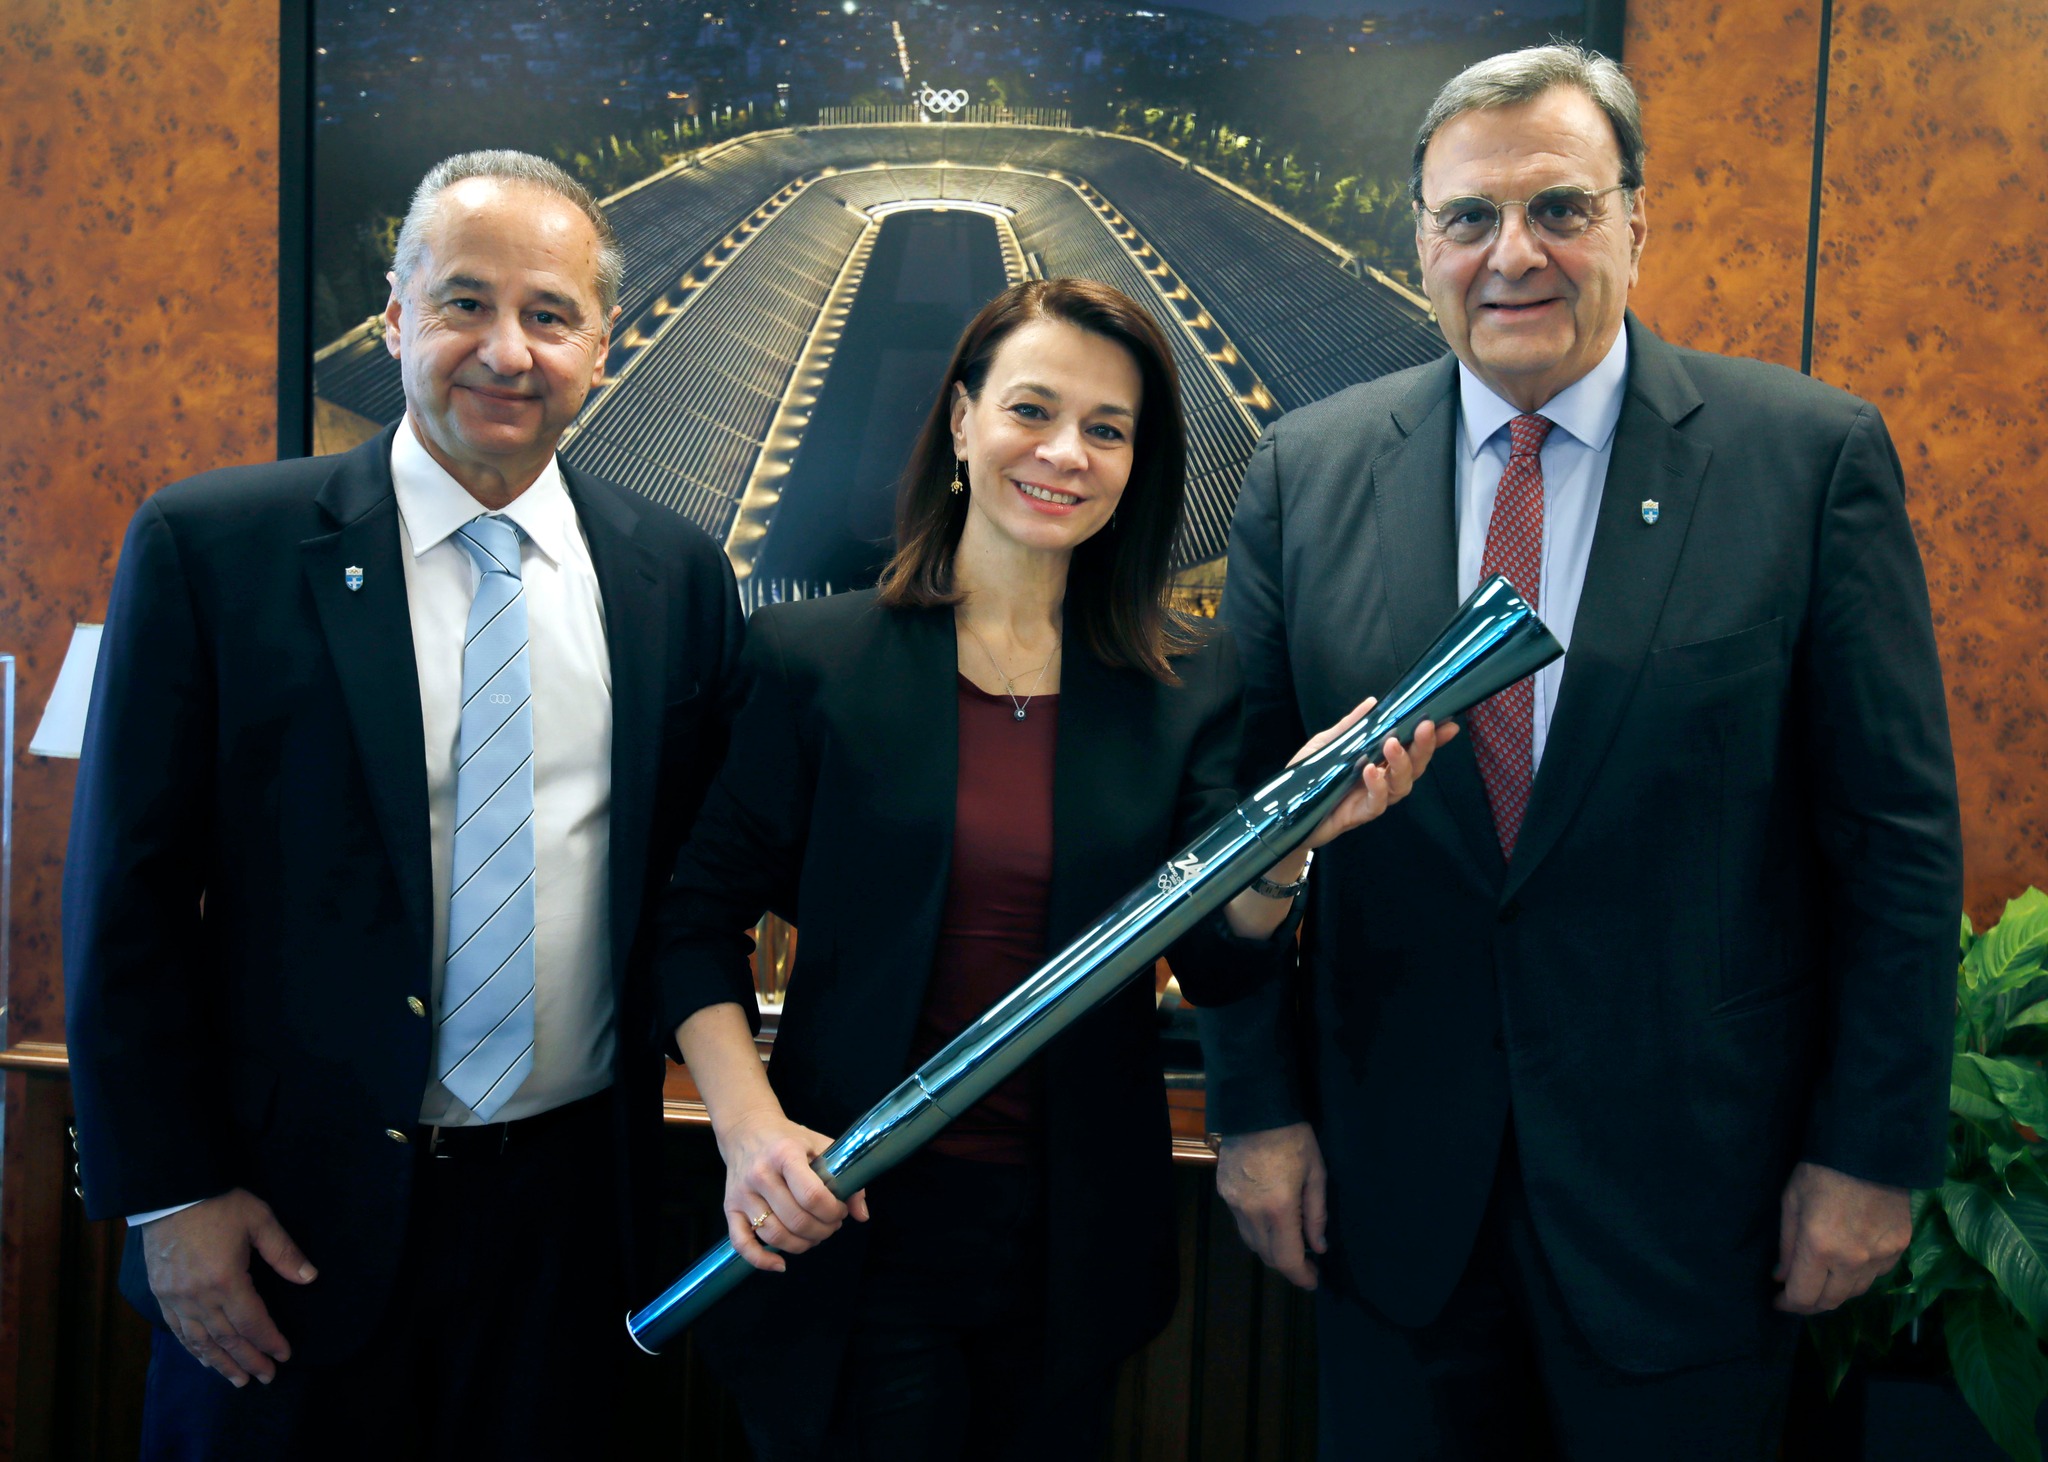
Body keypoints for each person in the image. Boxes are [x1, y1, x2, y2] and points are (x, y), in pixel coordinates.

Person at [1199, 43, 1964, 1459]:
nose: (1512, 255)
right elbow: (1235, 824)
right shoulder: (1306, 472)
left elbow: (1894, 842)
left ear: (1634, 223)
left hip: (1696, 1212)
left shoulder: (1805, 459)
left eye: (1559, 208)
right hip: (1391, 1204)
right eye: (1468, 217)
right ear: (1421, 241)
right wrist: (1254, 1112)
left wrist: (1869, 1152)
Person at [656, 276, 1450, 1461]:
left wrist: (1285, 849)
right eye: (1031, 409)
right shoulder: (812, 657)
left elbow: (1216, 964)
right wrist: (748, 1129)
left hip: (1072, 1249)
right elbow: (692, 921)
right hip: (849, 1226)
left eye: (1106, 429)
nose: (1065, 453)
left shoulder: (1184, 684)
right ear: (961, 420)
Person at [62, 150, 743, 1458]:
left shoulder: (671, 574)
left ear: (603, 342)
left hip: (564, 1225)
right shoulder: (215, 548)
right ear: (393, 318)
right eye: (464, 303)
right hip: (279, 1223)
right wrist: (171, 1195)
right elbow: (123, 901)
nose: (508, 350)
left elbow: (687, 890)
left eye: (550, 314)